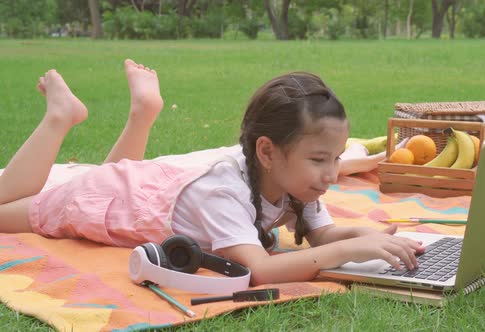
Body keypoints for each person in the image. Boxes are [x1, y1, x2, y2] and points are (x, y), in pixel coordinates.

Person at [0, 59, 423, 285]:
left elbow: (323, 236)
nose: (332, 174)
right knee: (8, 207)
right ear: (267, 152)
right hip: (112, 200)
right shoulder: (223, 191)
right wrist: (348, 253)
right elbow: (261, 270)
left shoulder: (296, 181)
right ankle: (59, 116)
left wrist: (374, 240)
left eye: (335, 158)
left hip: (146, 184)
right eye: (319, 159)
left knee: (108, 174)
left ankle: (143, 114)